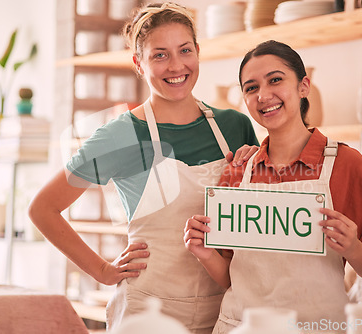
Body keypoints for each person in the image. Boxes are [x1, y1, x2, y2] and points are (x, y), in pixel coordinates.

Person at [28, 3, 258, 333]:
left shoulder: (234, 127)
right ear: (139, 63)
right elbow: (42, 208)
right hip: (147, 312)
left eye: (185, 50)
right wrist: (102, 270)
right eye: (159, 55)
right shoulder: (121, 135)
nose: (177, 65)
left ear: (197, 52)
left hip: (225, 308)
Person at [184, 40, 362, 333]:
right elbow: (232, 278)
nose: (264, 95)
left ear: (303, 86)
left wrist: (354, 248)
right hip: (240, 327)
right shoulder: (238, 170)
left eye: (275, 80)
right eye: (251, 87)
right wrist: (203, 253)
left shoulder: (346, 164)